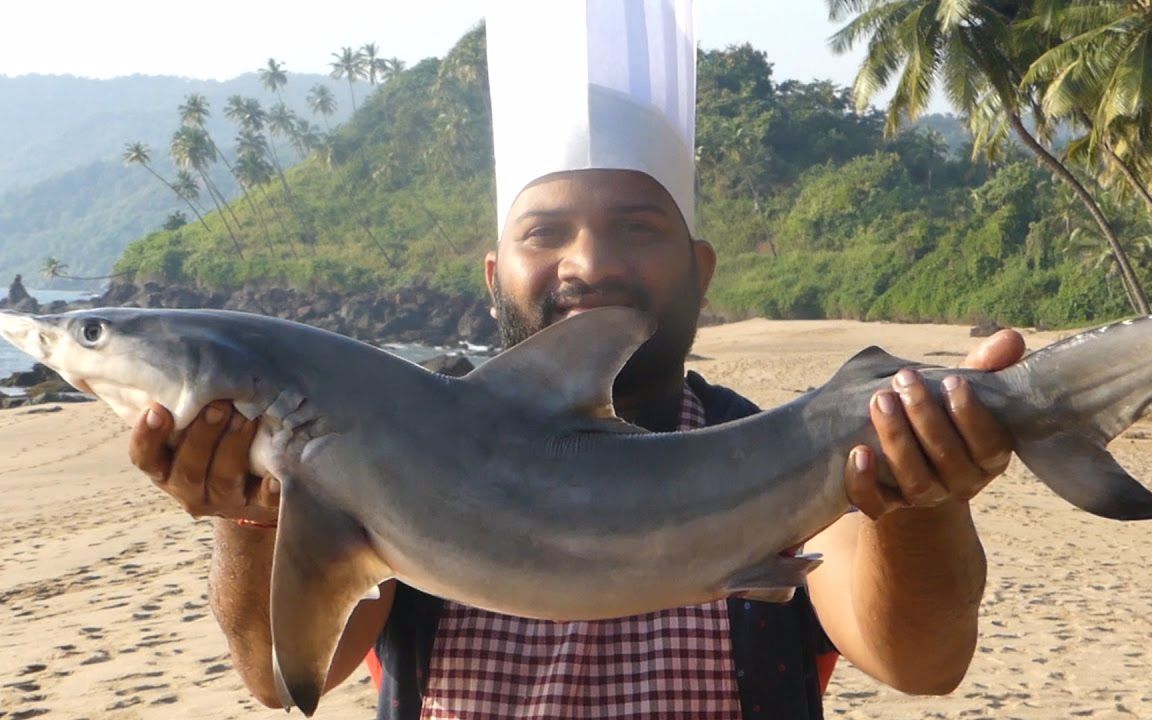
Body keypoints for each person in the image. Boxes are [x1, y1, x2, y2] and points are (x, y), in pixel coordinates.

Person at [128, 2, 1025, 718]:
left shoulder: (783, 451)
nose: (590, 265)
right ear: (494, 274)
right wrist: (250, 521)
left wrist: (922, 502)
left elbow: (922, 662)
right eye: (544, 233)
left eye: (638, 229)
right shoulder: (392, 449)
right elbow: (287, 679)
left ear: (701, 272)